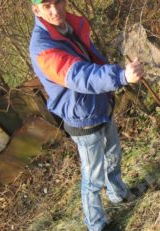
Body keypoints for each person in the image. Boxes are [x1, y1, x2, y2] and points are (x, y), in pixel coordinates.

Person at [29, 0, 144, 230]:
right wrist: (120, 77)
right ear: (37, 10)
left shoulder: (70, 26)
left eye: (58, 2)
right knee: (92, 178)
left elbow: (92, 57)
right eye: (47, 5)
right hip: (82, 118)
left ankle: (118, 194)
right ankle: (96, 224)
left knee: (113, 155)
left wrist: (115, 77)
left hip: (100, 105)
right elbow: (80, 76)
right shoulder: (43, 48)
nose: (55, 10)